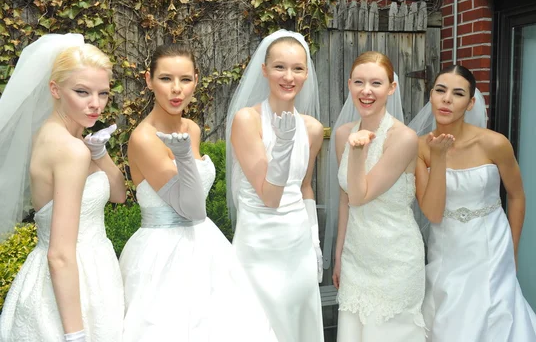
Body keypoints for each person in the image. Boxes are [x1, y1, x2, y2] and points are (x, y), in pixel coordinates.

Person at [119, 44, 277, 342]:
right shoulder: (142, 139)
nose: (176, 89)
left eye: (185, 79)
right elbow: (190, 207)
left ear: (196, 80)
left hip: (206, 245)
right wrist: (183, 159)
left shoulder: (191, 128)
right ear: (148, 80)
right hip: (163, 255)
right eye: (165, 79)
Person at [409, 64, 536, 341]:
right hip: (447, 249)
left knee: (495, 316)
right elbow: (432, 213)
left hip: (491, 248)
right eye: (440, 90)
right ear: (431, 96)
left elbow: (517, 195)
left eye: (458, 93)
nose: (447, 99)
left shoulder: (494, 143)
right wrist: (438, 158)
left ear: (471, 102)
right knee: (449, 319)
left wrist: (512, 249)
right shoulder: (419, 146)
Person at [0, 34, 126, 342]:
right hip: (73, 285)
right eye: (82, 92)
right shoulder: (70, 150)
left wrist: (100, 153)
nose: (95, 104)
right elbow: (59, 254)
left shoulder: (58, 136)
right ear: (55, 89)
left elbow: (119, 196)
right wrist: (75, 335)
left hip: (85, 272)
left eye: (103, 93)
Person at [226, 29, 324, 342]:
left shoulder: (312, 128)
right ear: (265, 70)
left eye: (297, 68)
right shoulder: (247, 120)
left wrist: (315, 242)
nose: (288, 76)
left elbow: (305, 187)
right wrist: (281, 146)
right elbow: (270, 196)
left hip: (298, 247)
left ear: (307, 73)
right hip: (257, 246)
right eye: (280, 67)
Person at [327, 51, 426, 342]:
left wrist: (358, 152)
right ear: (349, 85)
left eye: (376, 83)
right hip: (357, 257)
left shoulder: (403, 138)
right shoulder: (343, 134)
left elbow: (361, 195)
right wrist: (339, 254)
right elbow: (346, 199)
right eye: (359, 82)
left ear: (391, 87)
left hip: (395, 260)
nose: (366, 91)